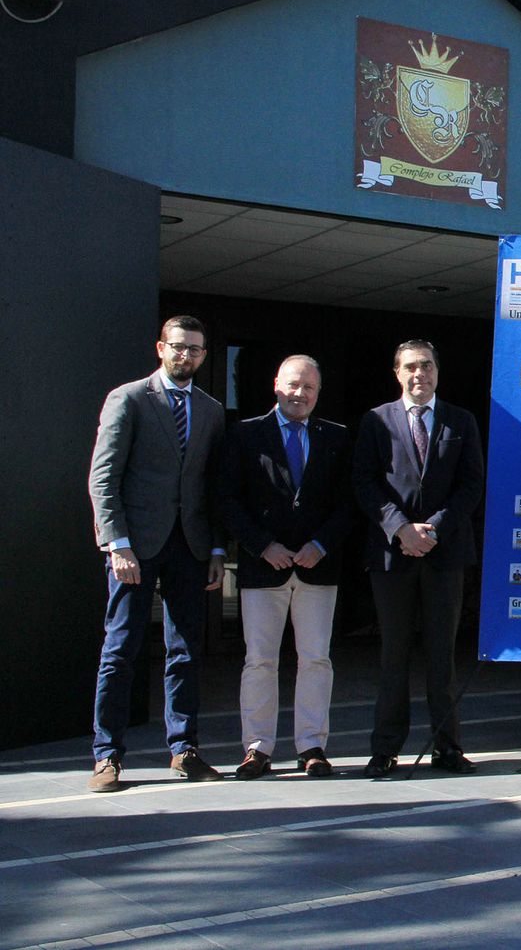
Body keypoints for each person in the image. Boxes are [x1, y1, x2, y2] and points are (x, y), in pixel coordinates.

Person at [87, 315, 227, 792]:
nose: (186, 355)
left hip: (189, 545)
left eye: (195, 348)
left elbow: (211, 486)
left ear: (205, 355)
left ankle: (183, 749)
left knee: (185, 651)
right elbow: (103, 477)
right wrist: (117, 544)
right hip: (135, 547)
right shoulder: (128, 398)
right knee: (121, 649)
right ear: (160, 348)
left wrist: (216, 548)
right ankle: (107, 756)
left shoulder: (210, 409)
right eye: (178, 346)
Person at [352, 340, 485, 778]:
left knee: (441, 656)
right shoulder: (375, 421)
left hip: (445, 555)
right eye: (410, 367)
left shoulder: (461, 421)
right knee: (393, 655)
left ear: (437, 371)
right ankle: (385, 748)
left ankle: (447, 747)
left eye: (427, 365)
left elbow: (471, 486)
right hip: (393, 556)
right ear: (397, 373)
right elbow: (365, 483)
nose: (419, 374)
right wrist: (401, 529)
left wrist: (434, 529)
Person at [219, 355, 353, 780]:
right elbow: (226, 500)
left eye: (309, 388)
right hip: (264, 567)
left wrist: (321, 544)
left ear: (318, 392)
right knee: (259, 661)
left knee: (316, 659)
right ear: (277, 384)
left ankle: (311, 746)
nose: (300, 394)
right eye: (294, 384)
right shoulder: (244, 435)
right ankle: (257, 748)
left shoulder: (336, 437)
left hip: (317, 567)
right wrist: (262, 546)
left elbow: (349, 503)